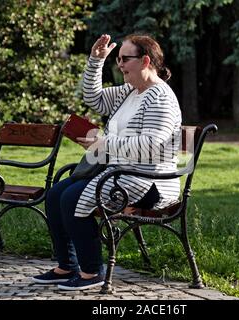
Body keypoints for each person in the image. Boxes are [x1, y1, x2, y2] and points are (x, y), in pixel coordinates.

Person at [32, 33, 182, 291]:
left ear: (145, 60)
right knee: (56, 194)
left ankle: (92, 273)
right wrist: (95, 60)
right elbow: (94, 99)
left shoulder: (160, 97)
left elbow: (151, 145)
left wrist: (104, 144)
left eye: (125, 59)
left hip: (150, 181)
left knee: (72, 198)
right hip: (120, 173)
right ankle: (66, 266)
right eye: (118, 59)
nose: (120, 64)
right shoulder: (129, 91)